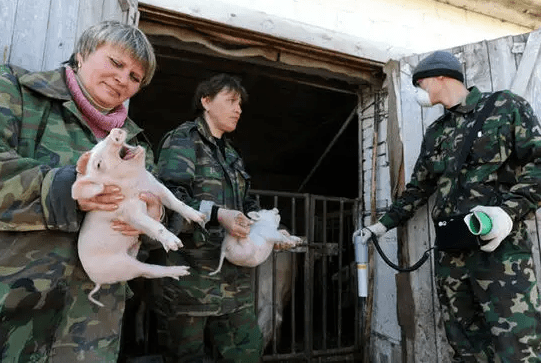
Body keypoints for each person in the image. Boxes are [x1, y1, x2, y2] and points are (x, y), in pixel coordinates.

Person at [359, 50, 541, 362]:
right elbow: (418, 188)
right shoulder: (436, 132)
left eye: (421, 83)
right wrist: (380, 225)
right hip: (451, 254)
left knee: (516, 348)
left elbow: (537, 162)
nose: (420, 92)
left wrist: (508, 213)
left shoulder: (505, 105)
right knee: (465, 345)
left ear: (440, 77)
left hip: (500, 254)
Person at [0, 20, 160, 362]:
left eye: (135, 77)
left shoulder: (137, 146)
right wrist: (64, 187)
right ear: (83, 53)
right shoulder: (16, 90)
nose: (123, 79)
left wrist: (152, 218)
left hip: (92, 328)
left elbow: (161, 209)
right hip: (12, 309)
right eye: (116, 63)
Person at [151, 73, 264, 363]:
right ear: (206, 101)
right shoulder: (183, 140)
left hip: (233, 279)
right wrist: (217, 214)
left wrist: (263, 225)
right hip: (190, 278)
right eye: (230, 101)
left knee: (247, 351)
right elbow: (168, 200)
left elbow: (247, 202)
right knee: (185, 357)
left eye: (240, 104)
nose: (238, 110)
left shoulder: (232, 156)